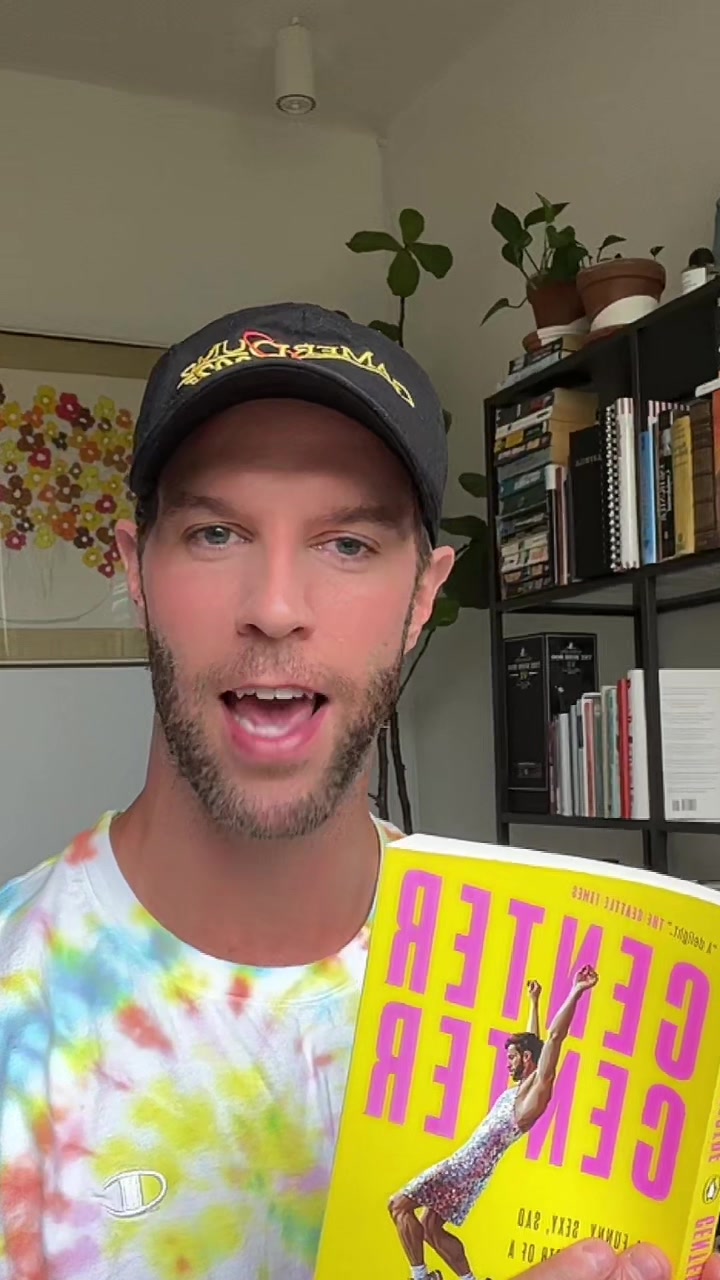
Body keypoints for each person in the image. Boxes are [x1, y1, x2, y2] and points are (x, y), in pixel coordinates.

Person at [0, 303, 716, 1280]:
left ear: (425, 596)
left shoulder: (571, 1006)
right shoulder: (19, 1008)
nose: (275, 607)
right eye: (216, 533)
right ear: (136, 571)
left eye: (347, 544)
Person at [389, 969, 598, 1280]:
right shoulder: (523, 1085)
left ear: (526, 1059)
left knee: (398, 1205)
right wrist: (534, 1002)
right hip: (471, 1170)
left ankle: (420, 1278)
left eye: (512, 1057)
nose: (508, 1063)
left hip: (463, 1168)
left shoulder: (535, 1094)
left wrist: (576, 991)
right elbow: (535, 1043)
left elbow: (554, 1039)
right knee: (431, 1228)